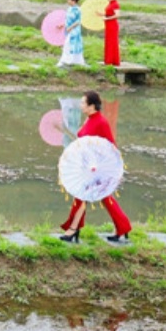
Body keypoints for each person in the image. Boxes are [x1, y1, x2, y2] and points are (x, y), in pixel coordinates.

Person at [60, 91, 130, 244]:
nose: (80, 105)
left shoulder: (101, 122)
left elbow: (111, 147)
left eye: (83, 103)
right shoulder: (89, 119)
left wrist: (105, 169)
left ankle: (73, 229)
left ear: (91, 106)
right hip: (86, 167)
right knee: (105, 199)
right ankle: (122, 227)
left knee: (82, 197)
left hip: (96, 169)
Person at [58, 0, 86, 68]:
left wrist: (71, 27)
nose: (67, 0)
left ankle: (70, 61)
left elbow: (78, 21)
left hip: (74, 30)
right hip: (68, 29)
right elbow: (67, 19)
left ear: (74, 0)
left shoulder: (78, 10)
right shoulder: (69, 9)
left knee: (71, 45)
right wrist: (62, 25)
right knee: (68, 45)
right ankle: (67, 60)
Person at [102, 0, 121, 67]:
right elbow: (109, 13)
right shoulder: (110, 4)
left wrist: (107, 18)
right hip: (108, 25)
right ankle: (108, 60)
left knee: (112, 42)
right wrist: (101, 14)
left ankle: (112, 60)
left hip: (112, 25)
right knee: (108, 41)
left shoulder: (115, 4)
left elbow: (117, 15)